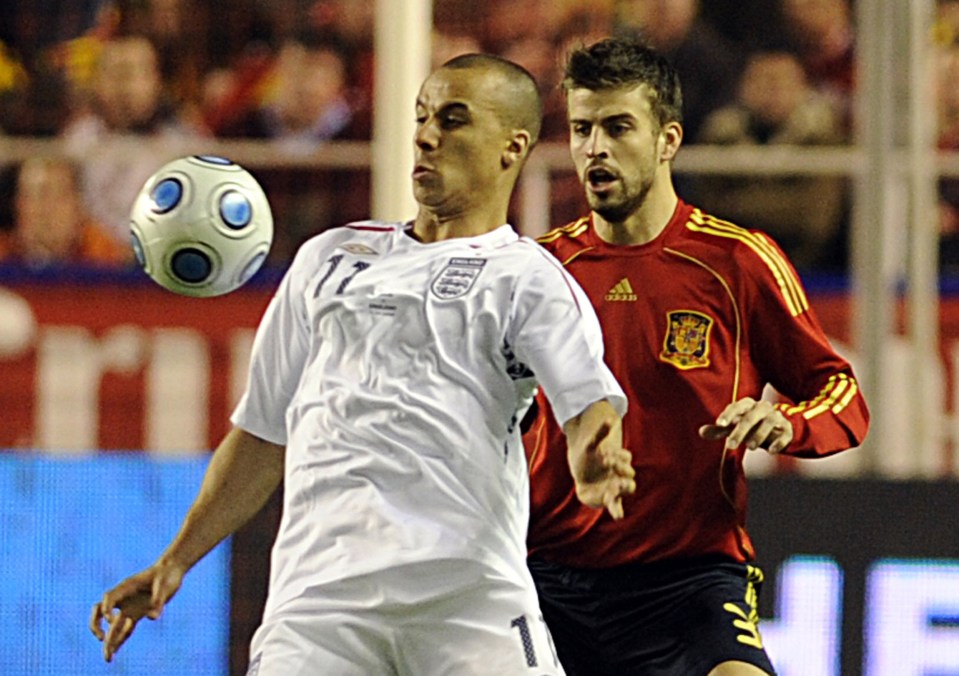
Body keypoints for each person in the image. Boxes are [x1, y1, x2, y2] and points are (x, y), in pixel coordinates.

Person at [90, 53, 636, 675]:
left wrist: (591, 456)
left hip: (468, 602)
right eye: (423, 116)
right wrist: (175, 560)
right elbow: (262, 434)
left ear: (513, 147)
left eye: (454, 121)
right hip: (319, 609)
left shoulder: (527, 279)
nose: (426, 135)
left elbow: (586, 402)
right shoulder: (328, 258)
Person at [523, 37, 870, 676]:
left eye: (618, 127)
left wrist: (788, 423)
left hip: (690, 583)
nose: (594, 148)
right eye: (581, 129)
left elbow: (841, 390)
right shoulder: (535, 271)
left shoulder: (736, 261)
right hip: (544, 582)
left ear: (668, 140)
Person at [694, 50, 848, 270]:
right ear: (743, 86)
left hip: (810, 271)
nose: (772, 91)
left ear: (803, 87)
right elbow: (708, 211)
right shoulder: (719, 135)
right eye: (763, 81)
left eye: (782, 82)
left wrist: (740, 205)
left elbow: (814, 220)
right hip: (730, 268)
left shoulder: (824, 137)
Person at [0, 156, 130, 267]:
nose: (47, 208)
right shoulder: (3, 253)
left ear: (78, 206)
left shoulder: (103, 254)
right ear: (18, 205)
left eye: (59, 195)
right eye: (37, 195)